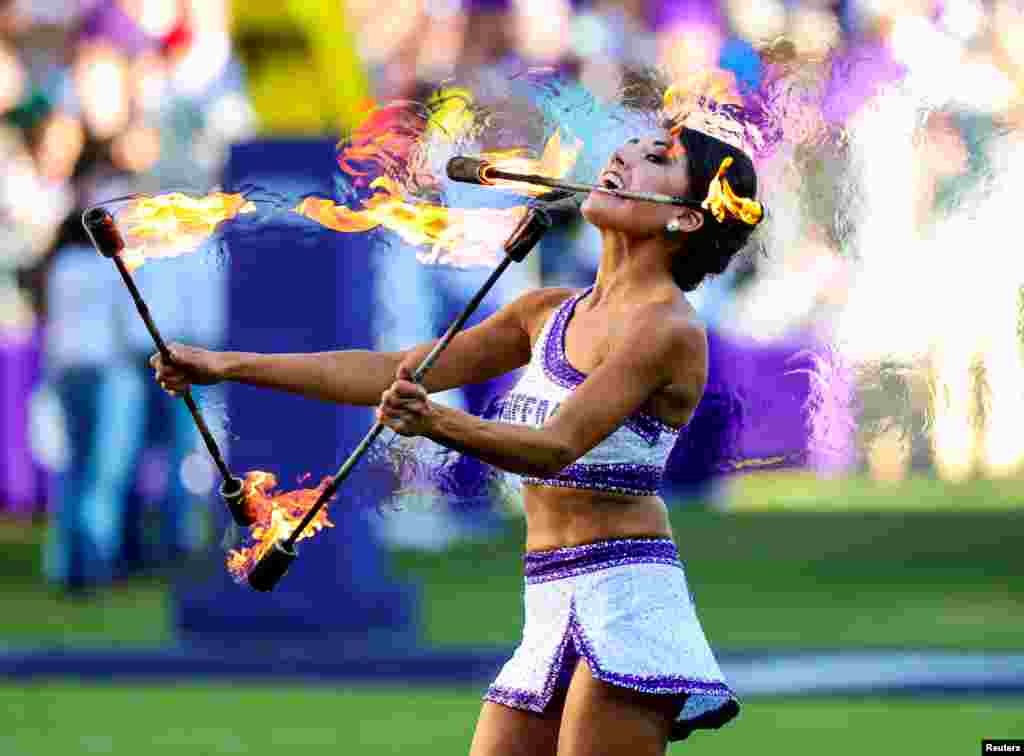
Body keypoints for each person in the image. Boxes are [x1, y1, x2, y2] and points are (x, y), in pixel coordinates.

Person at [151, 122, 763, 754]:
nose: (625, 154)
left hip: (627, 596)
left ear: (687, 220)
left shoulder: (668, 329)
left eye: (657, 158)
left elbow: (557, 445)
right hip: (549, 594)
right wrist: (226, 366)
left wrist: (435, 421)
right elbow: (391, 369)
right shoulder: (547, 311)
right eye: (633, 145)